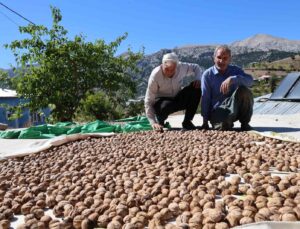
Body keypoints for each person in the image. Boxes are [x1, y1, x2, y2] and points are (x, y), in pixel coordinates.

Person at [145, 52, 202, 131]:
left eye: (172, 70)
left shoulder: (181, 67)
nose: (169, 73)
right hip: (162, 102)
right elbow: (149, 100)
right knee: (165, 106)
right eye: (166, 69)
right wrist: (153, 122)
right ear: (162, 65)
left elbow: (196, 67)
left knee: (196, 88)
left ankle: (187, 122)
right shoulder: (155, 75)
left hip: (177, 98)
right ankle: (160, 121)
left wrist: (198, 79)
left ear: (177, 66)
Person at [201, 45, 254, 131]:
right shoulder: (207, 75)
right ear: (214, 58)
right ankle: (226, 122)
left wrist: (233, 79)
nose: (221, 61)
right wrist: (205, 121)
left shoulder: (235, 71)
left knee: (244, 91)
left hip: (236, 109)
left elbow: (250, 81)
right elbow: (205, 98)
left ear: (230, 59)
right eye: (219, 57)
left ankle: (245, 123)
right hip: (219, 110)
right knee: (222, 127)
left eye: (225, 58)